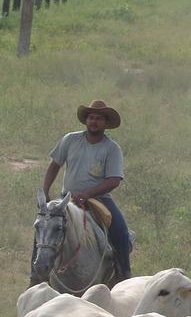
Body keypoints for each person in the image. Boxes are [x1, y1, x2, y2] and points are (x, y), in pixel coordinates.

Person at [41, 99, 131, 282]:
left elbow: (114, 180)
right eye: (91, 117)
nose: (94, 121)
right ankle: (37, 276)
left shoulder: (111, 148)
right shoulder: (70, 139)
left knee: (121, 231)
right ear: (86, 120)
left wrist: (88, 193)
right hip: (66, 198)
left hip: (99, 199)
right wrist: (45, 190)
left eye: (98, 118)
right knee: (44, 228)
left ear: (105, 123)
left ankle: (124, 274)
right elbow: (54, 165)